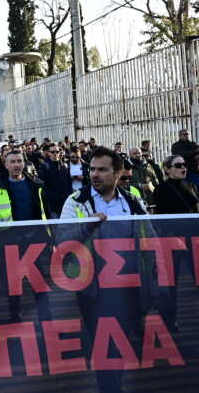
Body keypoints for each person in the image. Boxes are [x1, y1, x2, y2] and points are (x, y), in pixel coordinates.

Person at [58, 147, 155, 393]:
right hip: (94, 289)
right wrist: (86, 227)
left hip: (129, 285)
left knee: (122, 340)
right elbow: (61, 241)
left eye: (102, 169)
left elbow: (150, 237)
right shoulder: (76, 201)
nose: (95, 174)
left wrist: (153, 277)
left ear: (118, 172)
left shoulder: (132, 200)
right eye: (92, 169)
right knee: (105, 346)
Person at [0, 149, 51, 322]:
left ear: (24, 163)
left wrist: (49, 237)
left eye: (19, 161)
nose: (16, 165)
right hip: (10, 241)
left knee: (38, 278)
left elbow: (45, 211)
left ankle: (45, 313)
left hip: (33, 239)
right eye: (12, 162)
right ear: (5, 165)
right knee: (13, 281)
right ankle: (14, 314)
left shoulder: (37, 184)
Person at [152, 154, 199, 333]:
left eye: (184, 165)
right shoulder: (161, 189)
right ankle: (170, 321)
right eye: (178, 165)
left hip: (193, 240)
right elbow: (162, 218)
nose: (183, 168)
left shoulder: (191, 185)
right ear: (167, 169)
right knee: (171, 283)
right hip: (172, 241)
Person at [37, 143, 72, 218]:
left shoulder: (65, 166)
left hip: (65, 202)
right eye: (53, 152)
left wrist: (69, 195)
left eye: (57, 151)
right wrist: (51, 196)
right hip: (53, 204)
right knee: (55, 227)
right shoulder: (44, 166)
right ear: (49, 153)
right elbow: (43, 185)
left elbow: (69, 183)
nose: (55, 154)